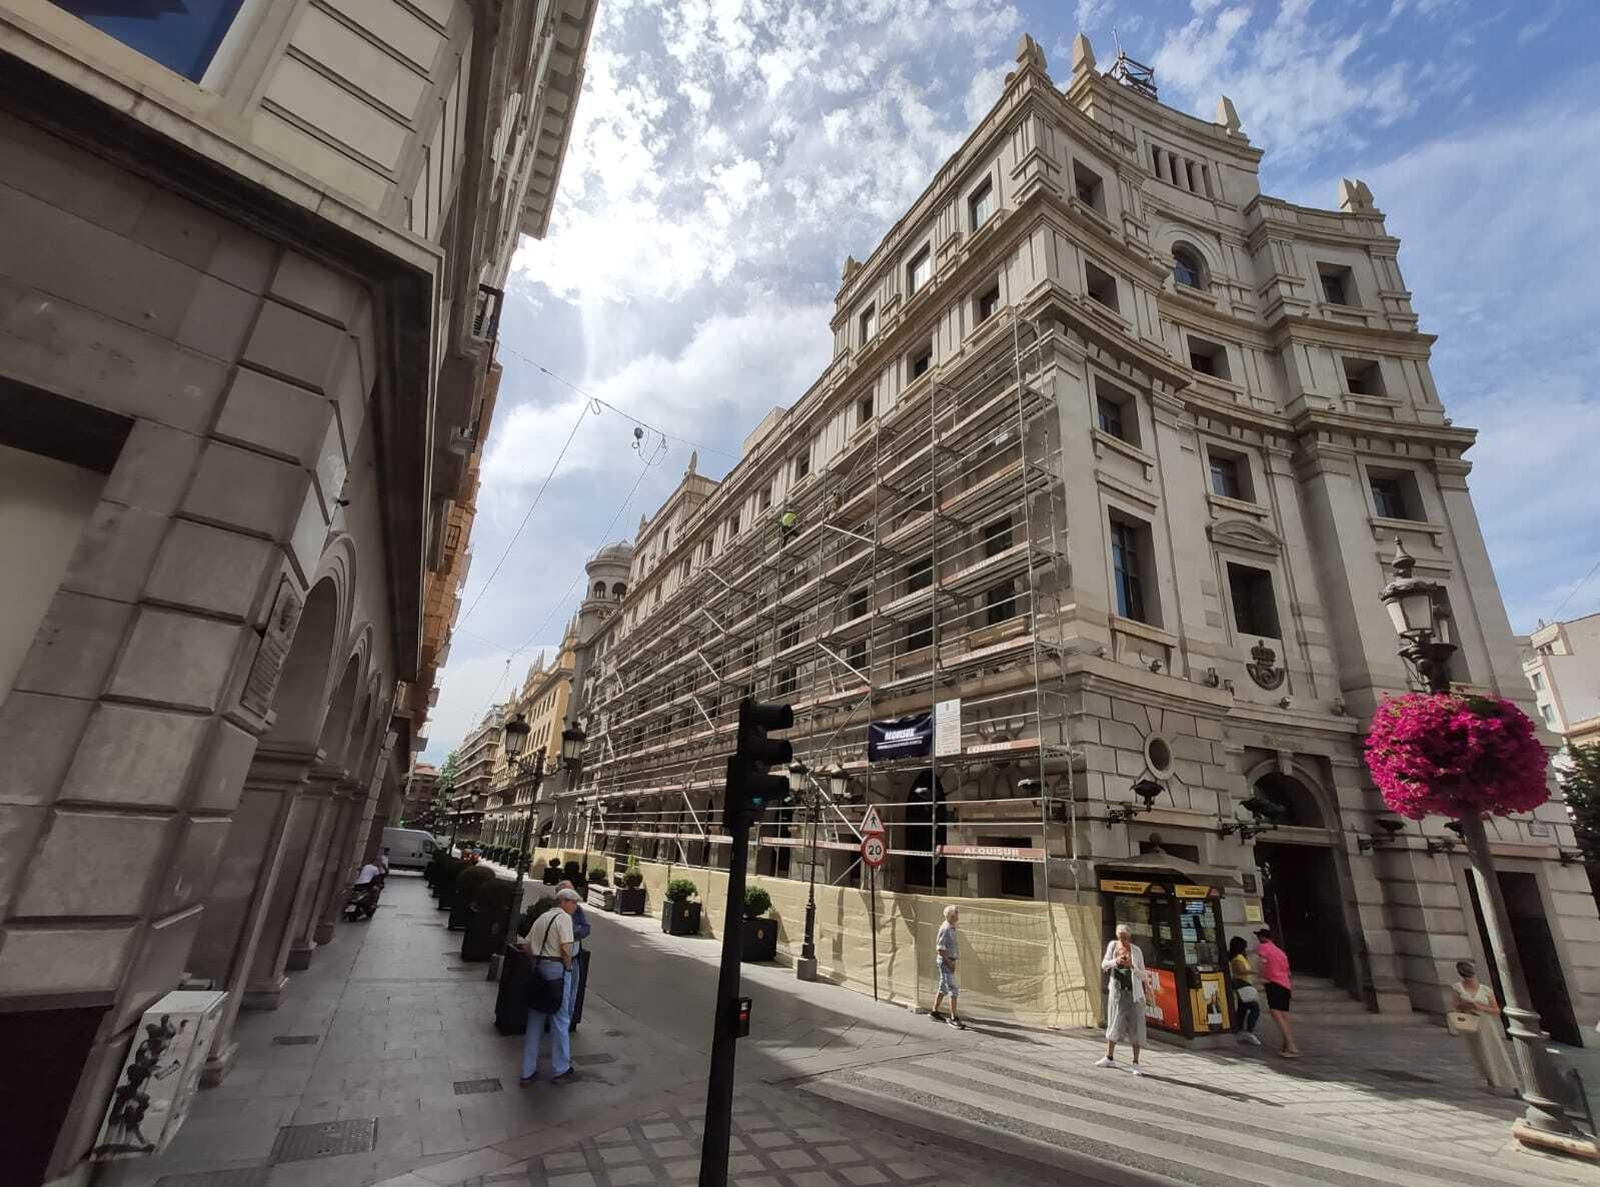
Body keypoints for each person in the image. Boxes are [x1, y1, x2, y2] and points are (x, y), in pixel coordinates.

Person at [519, 888, 580, 1085]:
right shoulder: (564, 919)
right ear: (564, 902)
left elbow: (526, 946)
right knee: (560, 1019)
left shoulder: (542, 918)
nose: (576, 907)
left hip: (539, 969)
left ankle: (527, 1071)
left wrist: (536, 961)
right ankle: (561, 1068)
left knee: (535, 1020)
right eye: (574, 902)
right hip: (557, 970)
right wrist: (568, 968)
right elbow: (565, 948)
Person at [1451, 959, 1517, 1093]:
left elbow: (1496, 1010)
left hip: (1486, 1024)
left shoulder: (1486, 989)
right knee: (1480, 1053)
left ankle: (1511, 1083)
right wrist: (1467, 1006)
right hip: (1471, 1024)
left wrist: (1479, 1007)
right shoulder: (1458, 987)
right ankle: (1491, 1080)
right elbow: (1455, 1005)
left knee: (1495, 1051)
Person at [1098, 923, 1151, 1074]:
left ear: (1129, 937)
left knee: (1136, 1027)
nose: (1123, 941)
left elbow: (1143, 974)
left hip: (1134, 995)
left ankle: (1135, 1063)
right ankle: (1109, 1057)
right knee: (1114, 1023)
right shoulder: (1113, 946)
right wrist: (1116, 962)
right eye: (1121, 938)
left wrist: (1131, 966)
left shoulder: (1136, 951)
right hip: (1118, 992)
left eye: (1125, 938)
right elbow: (1104, 965)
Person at [1255, 928, 1300, 1058]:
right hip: (1285, 984)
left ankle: (1291, 1046)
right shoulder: (1280, 951)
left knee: (1276, 1014)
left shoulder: (1263, 947)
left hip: (1274, 983)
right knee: (1284, 1016)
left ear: (1263, 938)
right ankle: (1286, 1045)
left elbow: (1262, 963)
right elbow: (1288, 970)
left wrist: (1261, 977)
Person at [557, 880, 594, 1032]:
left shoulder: (577, 910)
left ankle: (566, 1024)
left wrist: (573, 932)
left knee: (571, 994)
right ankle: (557, 1025)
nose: (575, 900)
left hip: (574, 960)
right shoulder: (554, 914)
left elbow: (586, 928)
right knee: (558, 994)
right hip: (558, 961)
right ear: (562, 899)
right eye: (571, 896)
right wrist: (573, 931)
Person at [930, 905, 965, 1029]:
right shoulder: (946, 929)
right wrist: (950, 963)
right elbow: (940, 948)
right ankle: (953, 1018)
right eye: (956, 913)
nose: (958, 915)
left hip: (948, 961)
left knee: (943, 987)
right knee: (953, 990)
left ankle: (934, 1012)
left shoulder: (950, 927)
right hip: (946, 963)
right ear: (951, 916)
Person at [1229, 936, 1262, 1046]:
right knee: (1254, 1008)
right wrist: (1253, 972)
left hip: (1244, 984)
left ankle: (1237, 1029)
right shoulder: (1237, 958)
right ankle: (1249, 1031)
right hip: (1242, 984)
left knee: (1242, 1009)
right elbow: (1241, 971)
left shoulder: (1240, 957)